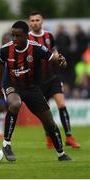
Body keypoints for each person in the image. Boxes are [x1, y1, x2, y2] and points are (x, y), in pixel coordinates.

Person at [0, 20, 72, 161]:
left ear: (26, 36)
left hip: (32, 88)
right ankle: (6, 144)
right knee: (15, 104)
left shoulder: (36, 48)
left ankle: (61, 154)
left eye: (17, 36)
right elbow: (0, 65)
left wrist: (61, 60)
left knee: (49, 122)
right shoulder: (6, 49)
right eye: (13, 35)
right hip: (13, 85)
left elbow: (51, 57)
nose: (14, 39)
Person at [28, 12, 80, 149]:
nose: (35, 22)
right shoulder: (26, 39)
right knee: (46, 113)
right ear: (29, 22)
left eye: (37, 20)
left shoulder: (49, 36)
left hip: (53, 78)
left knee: (62, 105)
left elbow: (54, 51)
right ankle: (48, 136)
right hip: (37, 82)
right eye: (32, 20)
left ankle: (69, 137)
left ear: (42, 21)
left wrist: (59, 58)